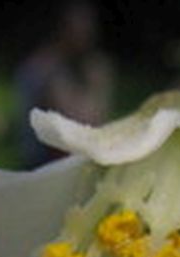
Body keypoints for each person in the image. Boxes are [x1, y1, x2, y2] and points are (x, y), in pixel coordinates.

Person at [14, 1, 112, 168]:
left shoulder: (89, 67)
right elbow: (80, 122)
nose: (85, 37)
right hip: (45, 162)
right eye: (80, 30)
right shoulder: (44, 69)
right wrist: (96, 87)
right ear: (63, 30)